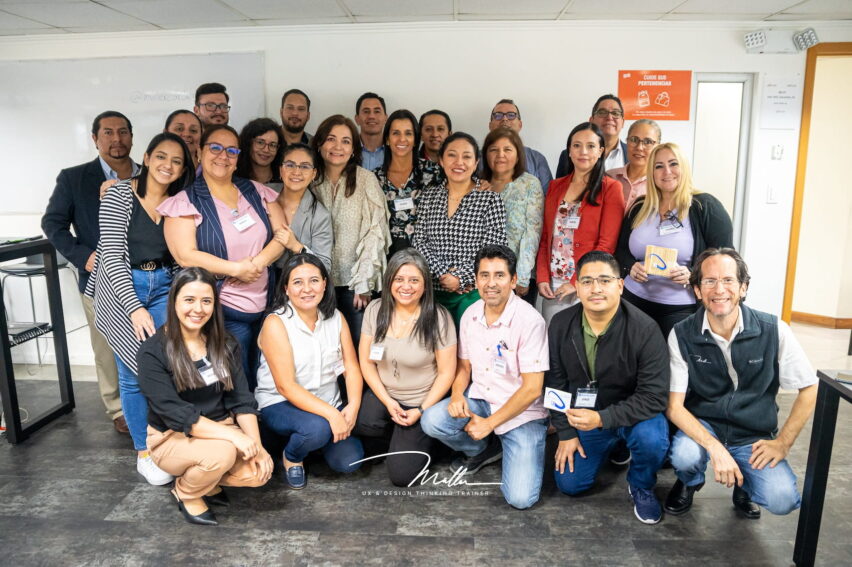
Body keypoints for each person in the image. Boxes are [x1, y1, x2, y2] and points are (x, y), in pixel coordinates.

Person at [665, 248, 817, 520]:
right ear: (697, 290)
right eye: (709, 281)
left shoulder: (774, 329)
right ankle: (689, 481)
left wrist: (782, 443)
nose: (719, 289)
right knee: (685, 456)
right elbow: (674, 407)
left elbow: (809, 388)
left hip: (753, 432)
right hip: (705, 424)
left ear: (743, 287)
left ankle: (744, 485)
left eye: (728, 280)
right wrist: (715, 447)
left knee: (782, 499)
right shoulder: (681, 333)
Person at [85, 131, 194, 484]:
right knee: (132, 374)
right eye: (161, 157)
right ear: (146, 158)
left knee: (167, 366)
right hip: (121, 287)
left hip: (163, 286)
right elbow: (112, 256)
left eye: (176, 161)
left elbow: (178, 256)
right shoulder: (118, 194)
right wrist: (134, 307)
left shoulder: (177, 202)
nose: (168, 166)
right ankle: (144, 453)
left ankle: (167, 443)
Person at [137, 267, 273, 526]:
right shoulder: (152, 352)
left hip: (220, 428)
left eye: (206, 301)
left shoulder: (224, 342)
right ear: (174, 301)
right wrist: (236, 437)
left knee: (257, 472)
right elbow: (176, 413)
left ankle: (206, 479)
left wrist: (257, 447)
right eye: (189, 300)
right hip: (172, 435)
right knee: (222, 454)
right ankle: (186, 492)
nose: (198, 309)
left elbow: (241, 400)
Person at [546, 250, 670, 524]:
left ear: (620, 285)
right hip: (587, 416)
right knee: (570, 484)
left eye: (604, 280)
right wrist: (565, 433)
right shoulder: (560, 324)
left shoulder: (645, 329)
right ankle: (615, 447)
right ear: (577, 286)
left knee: (651, 440)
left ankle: (641, 484)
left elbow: (654, 397)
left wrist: (603, 418)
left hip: (634, 415)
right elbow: (555, 382)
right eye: (587, 281)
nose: (596, 289)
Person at [160, 124, 287, 389]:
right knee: (237, 378)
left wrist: (256, 264)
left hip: (266, 304)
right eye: (215, 148)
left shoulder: (255, 191)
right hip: (223, 307)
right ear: (199, 152)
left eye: (231, 151)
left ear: (238, 157)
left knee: (267, 372)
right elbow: (185, 256)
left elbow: (282, 235)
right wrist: (235, 269)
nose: (223, 156)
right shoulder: (186, 200)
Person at [421, 245, 548, 509]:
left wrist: (489, 424)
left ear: (513, 280)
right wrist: (457, 395)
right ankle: (481, 450)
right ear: (476, 280)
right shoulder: (471, 314)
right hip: (481, 399)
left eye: (499, 275)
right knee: (432, 421)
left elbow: (532, 389)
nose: (491, 283)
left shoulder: (530, 321)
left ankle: (500, 439)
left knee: (521, 499)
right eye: (484, 275)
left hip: (521, 412)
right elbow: (464, 367)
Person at [41, 110, 139, 434]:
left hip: (144, 276)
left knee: (148, 343)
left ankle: (149, 402)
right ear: (95, 138)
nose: (116, 139)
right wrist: (83, 257)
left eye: (123, 132)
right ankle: (118, 408)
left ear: (132, 136)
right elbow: (52, 224)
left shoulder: (149, 174)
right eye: (108, 133)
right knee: (107, 347)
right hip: (100, 279)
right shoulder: (74, 178)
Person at [255, 254, 365, 489]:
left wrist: (353, 405)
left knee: (349, 461)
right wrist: (333, 415)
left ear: (324, 284)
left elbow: (351, 367)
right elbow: (285, 386)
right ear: (286, 288)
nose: (307, 289)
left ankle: (314, 441)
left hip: (326, 402)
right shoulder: (276, 322)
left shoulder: (336, 318)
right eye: (297, 282)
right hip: (281, 403)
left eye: (314, 280)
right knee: (317, 429)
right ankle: (292, 456)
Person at [355, 249, 457, 486]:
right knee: (365, 424)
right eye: (399, 279)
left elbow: (447, 373)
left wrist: (421, 410)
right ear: (389, 281)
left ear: (425, 284)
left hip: (421, 400)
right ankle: (398, 437)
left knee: (402, 476)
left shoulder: (438, 318)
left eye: (414, 280)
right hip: (386, 394)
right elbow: (366, 362)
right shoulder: (375, 309)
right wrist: (388, 401)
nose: (406, 286)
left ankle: (431, 441)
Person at [615, 142, 733, 338]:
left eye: (673, 164)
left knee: (674, 355)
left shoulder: (705, 207)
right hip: (632, 299)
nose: (667, 171)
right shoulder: (640, 206)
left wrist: (693, 274)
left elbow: (726, 260)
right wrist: (630, 267)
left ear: (684, 167)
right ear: (651, 172)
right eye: (658, 166)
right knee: (629, 354)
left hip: (680, 307)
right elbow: (620, 251)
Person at [311, 114, 390, 348]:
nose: (338, 147)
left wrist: (364, 282)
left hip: (354, 285)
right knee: (323, 349)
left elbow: (376, 233)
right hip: (315, 284)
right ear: (319, 143)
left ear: (354, 149)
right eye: (331, 139)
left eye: (346, 141)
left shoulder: (366, 180)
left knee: (358, 349)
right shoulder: (309, 179)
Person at [412, 132, 507, 326]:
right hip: (433, 290)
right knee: (435, 343)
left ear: (476, 162)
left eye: (467, 156)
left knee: (469, 343)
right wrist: (442, 273)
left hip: (472, 293)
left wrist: (461, 278)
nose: (459, 162)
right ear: (441, 160)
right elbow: (419, 241)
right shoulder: (429, 196)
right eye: (452, 155)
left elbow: (494, 250)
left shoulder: (490, 199)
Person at [536, 122, 625, 325]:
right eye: (577, 145)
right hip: (554, 286)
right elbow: (546, 237)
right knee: (555, 338)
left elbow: (606, 245)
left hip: (590, 283)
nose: (583, 151)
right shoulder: (555, 186)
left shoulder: (611, 188)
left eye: (591, 146)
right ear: (569, 151)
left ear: (601, 151)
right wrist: (542, 277)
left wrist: (577, 281)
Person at [481, 127, 543, 305]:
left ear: (518, 155)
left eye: (507, 149)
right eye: (493, 150)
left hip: (517, 273)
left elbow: (532, 232)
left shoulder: (530, 183)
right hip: (484, 274)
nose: (500, 155)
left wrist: (522, 276)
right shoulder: (478, 185)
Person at [375, 109, 442, 256]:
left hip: (427, 255)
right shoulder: (375, 178)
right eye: (396, 133)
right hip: (387, 255)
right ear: (387, 139)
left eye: (408, 133)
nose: (402, 139)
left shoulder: (434, 172)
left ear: (415, 140)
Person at [273, 143, 332, 274]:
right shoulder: (263, 193)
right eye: (290, 165)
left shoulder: (320, 216)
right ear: (281, 170)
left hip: (297, 279)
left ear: (313, 174)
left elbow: (325, 266)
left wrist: (297, 247)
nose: (296, 172)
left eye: (305, 166)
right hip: (258, 276)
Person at [487, 99, 552, 192]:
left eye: (511, 115)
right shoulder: (475, 158)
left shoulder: (537, 159)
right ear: (490, 125)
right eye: (498, 115)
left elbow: (549, 195)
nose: (504, 119)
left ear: (520, 124)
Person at [556, 94, 628, 177]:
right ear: (591, 120)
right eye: (602, 112)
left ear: (623, 122)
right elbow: (562, 184)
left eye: (615, 113)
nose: (609, 117)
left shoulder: (633, 154)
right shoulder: (568, 155)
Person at [607, 119, 660, 213]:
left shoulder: (660, 183)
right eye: (634, 140)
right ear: (627, 141)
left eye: (648, 142)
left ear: (658, 147)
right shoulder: (609, 177)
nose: (639, 147)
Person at [235, 117, 284, 191]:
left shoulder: (284, 179)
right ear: (248, 143)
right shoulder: (235, 179)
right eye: (260, 142)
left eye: (272, 145)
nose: (266, 150)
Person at [355, 92, 388, 171]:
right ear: (357, 119)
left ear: (385, 118)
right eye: (366, 111)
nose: (371, 116)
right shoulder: (347, 150)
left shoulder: (395, 150)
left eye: (377, 111)